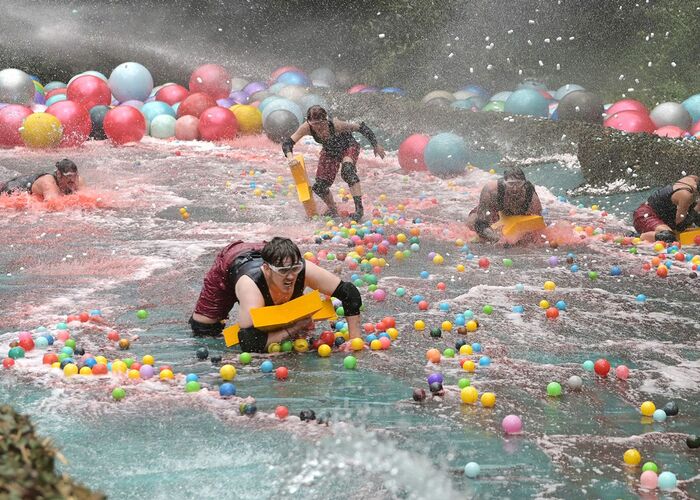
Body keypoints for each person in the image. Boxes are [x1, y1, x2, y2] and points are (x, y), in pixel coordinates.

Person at [190, 237, 363, 353]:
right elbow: (248, 342)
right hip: (231, 263)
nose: (291, 276)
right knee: (204, 330)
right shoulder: (251, 286)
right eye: (284, 271)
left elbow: (350, 294)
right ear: (266, 269)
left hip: (269, 255)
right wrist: (294, 328)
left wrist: (354, 340)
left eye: (295, 269)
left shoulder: (301, 269)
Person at [282, 105, 385, 221]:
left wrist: (375, 145)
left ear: (326, 120)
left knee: (347, 172)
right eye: (314, 125)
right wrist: (290, 157)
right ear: (309, 122)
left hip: (348, 146)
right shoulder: (306, 128)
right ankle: (333, 209)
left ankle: (359, 210)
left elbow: (361, 128)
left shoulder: (336, 124)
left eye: (321, 124)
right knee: (320, 186)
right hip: (330, 151)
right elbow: (287, 143)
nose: (318, 128)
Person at [466, 166, 542, 242]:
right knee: (471, 222)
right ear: (504, 182)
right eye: (510, 184)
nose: (515, 189)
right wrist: (496, 238)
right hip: (494, 211)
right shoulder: (491, 191)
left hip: (518, 215)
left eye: (519, 184)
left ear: (524, 184)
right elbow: (480, 222)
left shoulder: (531, 197)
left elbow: (538, 222)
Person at [632, 174, 699, 243]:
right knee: (668, 236)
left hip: (660, 217)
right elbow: (679, 225)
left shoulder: (694, 179)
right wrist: (697, 207)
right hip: (644, 216)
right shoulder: (685, 195)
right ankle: (636, 237)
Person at [0, 159, 83, 200]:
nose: (72, 179)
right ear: (59, 175)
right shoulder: (48, 183)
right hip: (15, 187)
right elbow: (53, 205)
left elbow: (87, 196)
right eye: (68, 176)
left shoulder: (78, 180)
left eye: (74, 175)